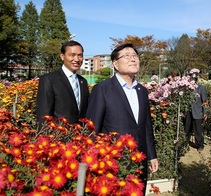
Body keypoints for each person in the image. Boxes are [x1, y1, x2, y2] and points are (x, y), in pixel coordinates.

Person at [86, 43, 158, 195]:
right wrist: (92, 161)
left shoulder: (142, 91)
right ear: (115, 63)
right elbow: (92, 128)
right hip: (114, 161)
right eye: (127, 56)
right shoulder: (103, 89)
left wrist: (151, 155)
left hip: (140, 159)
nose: (132, 59)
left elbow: (146, 127)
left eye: (135, 56)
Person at [36, 40, 89, 127]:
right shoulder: (49, 80)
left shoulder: (82, 81)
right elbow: (43, 115)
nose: (76, 59)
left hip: (78, 137)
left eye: (80, 56)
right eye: (72, 55)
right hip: (59, 136)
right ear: (62, 56)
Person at [185, 76, 208, 152]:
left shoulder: (201, 88)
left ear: (196, 81)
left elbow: (205, 101)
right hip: (189, 111)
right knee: (187, 128)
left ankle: (200, 145)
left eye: (193, 80)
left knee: (198, 129)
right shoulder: (187, 88)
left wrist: (205, 112)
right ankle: (185, 142)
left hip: (198, 111)